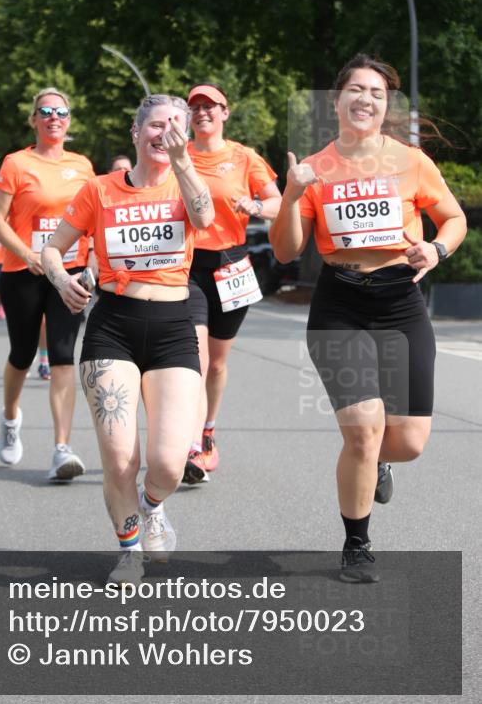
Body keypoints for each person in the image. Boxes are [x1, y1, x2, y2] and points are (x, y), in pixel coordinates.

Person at [269, 54, 467, 582]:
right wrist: (291, 195)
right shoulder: (314, 168)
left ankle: (375, 461)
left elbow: (453, 217)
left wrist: (436, 249)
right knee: (362, 429)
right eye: (356, 90)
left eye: (377, 92)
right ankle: (357, 544)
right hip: (341, 304)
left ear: (387, 104)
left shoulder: (411, 161)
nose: (366, 99)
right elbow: (287, 252)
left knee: (408, 442)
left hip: (401, 301)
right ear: (337, 102)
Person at [42, 94, 214, 586]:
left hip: (172, 327)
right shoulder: (98, 191)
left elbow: (203, 220)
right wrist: (62, 280)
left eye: (178, 126)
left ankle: (153, 505)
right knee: (120, 458)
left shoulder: (187, 182)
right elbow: (54, 249)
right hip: (113, 325)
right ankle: (130, 550)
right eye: (158, 125)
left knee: (167, 463)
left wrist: (184, 163)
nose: (168, 133)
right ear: (136, 134)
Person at [0, 87, 95, 480]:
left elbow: (94, 217)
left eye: (61, 112)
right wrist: (30, 254)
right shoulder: (16, 163)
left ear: (69, 121)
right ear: (33, 119)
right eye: (45, 111)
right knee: (23, 353)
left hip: (69, 271)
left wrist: (94, 263)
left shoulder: (83, 166)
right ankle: (11, 418)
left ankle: (61, 448)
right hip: (23, 272)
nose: (54, 117)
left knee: (64, 354)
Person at [183, 83, 282, 484]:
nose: (203, 112)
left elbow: (277, 202)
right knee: (196, 356)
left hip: (231, 264)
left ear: (225, 112)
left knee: (217, 362)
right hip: (186, 266)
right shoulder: (178, 156)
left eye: (211, 106)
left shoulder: (244, 157)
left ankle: (207, 430)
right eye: (196, 107)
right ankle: (189, 444)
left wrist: (256, 206)